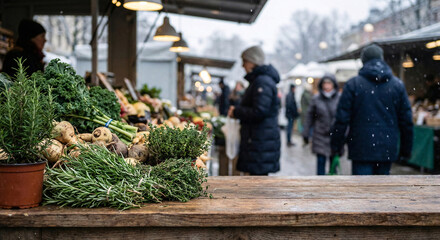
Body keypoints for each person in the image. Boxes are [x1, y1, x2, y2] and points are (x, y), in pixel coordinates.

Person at [330, 44, 413, 175]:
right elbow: (406, 121)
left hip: (360, 147)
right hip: (387, 147)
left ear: (363, 61)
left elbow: (342, 119)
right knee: (381, 192)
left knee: (363, 192)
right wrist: (406, 150)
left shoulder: (353, 84)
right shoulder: (397, 85)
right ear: (382, 59)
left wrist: (336, 146)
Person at [227, 45, 281, 176]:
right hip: (259, 141)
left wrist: (237, 112)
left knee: (257, 185)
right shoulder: (260, 80)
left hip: (260, 142)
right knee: (256, 183)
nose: (242, 66)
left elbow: (260, 111)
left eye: (244, 61)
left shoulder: (262, 82)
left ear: (252, 61)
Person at [302, 74, 340, 175]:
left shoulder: (339, 98)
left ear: (334, 85)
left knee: (333, 166)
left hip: (335, 136)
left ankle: (333, 187)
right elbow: (309, 117)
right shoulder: (316, 99)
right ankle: (320, 187)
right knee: (321, 163)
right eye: (325, 83)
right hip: (320, 135)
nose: (327, 86)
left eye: (329, 83)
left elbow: (344, 117)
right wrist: (305, 133)